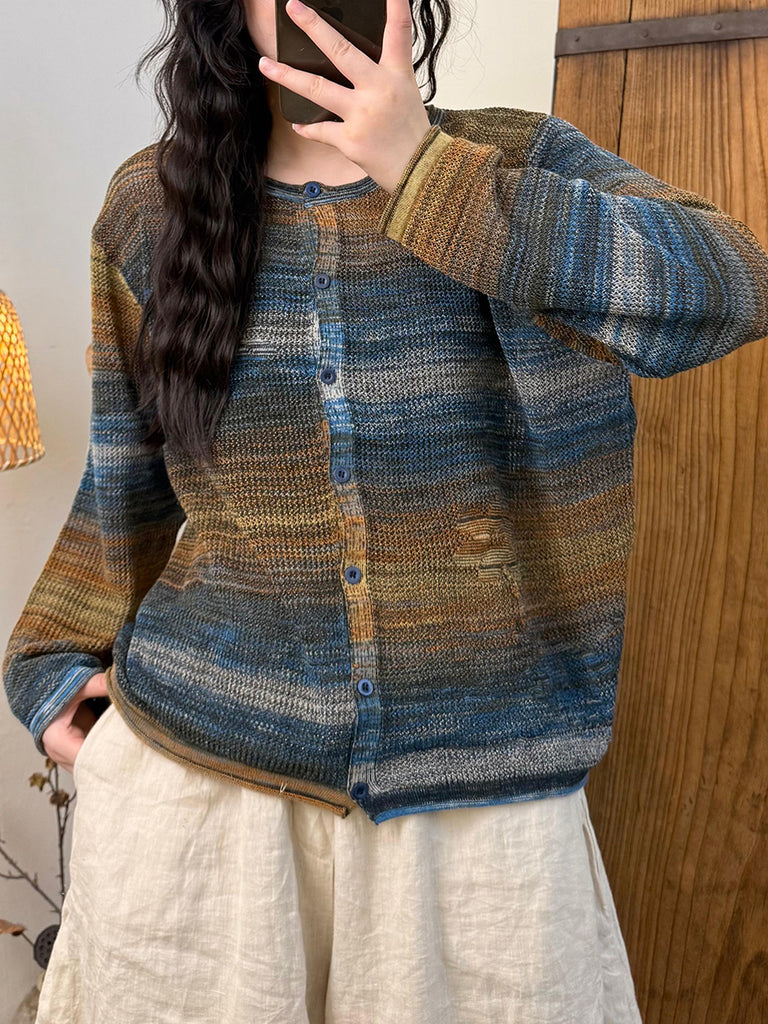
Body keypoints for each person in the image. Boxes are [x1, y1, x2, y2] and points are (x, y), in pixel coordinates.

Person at [4, 0, 768, 1021]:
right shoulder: (152, 207)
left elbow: (731, 286)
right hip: (197, 803)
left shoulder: (517, 161)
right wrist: (53, 664)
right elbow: (123, 478)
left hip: (482, 820)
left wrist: (424, 171)